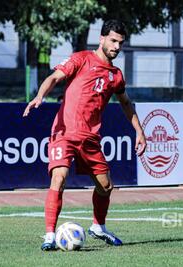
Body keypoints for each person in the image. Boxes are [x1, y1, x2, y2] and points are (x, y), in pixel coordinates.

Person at [23, 20, 147, 251]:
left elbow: (125, 103)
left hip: (90, 138)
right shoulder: (81, 59)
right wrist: (40, 96)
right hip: (65, 132)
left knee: (106, 187)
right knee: (59, 178)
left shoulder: (116, 76)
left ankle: (98, 226)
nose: (117, 46)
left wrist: (139, 131)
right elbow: (54, 78)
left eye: (120, 43)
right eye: (113, 41)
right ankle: (49, 235)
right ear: (101, 39)